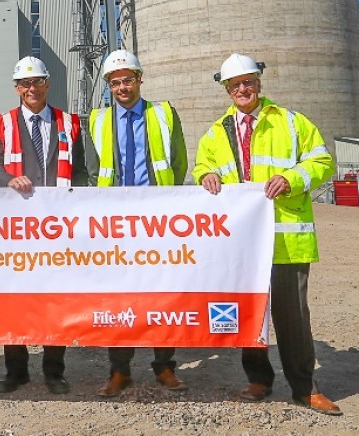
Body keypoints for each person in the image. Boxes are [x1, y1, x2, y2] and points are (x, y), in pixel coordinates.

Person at [192, 53, 341, 416]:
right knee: (250, 314)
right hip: (242, 243)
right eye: (235, 85)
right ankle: (258, 379)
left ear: (258, 83)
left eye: (248, 82)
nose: (242, 89)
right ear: (227, 90)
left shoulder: (291, 122)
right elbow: (203, 166)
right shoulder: (215, 133)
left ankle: (305, 388)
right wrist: (204, 176)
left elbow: (322, 162)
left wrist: (290, 179)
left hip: (286, 239)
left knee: (293, 318)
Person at [87, 49, 189, 397]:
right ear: (108, 87)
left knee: (162, 296)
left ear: (139, 79)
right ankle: (120, 371)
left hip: (157, 219)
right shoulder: (97, 119)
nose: (122, 87)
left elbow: (177, 161)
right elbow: (94, 168)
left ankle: (164, 367)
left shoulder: (163, 114)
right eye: (115, 83)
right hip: (116, 222)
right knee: (119, 299)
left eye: (127, 80)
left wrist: (168, 206)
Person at [0, 56, 88, 394]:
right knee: (14, 299)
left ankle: (54, 371)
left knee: (55, 300)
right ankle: (16, 370)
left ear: (47, 84)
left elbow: (82, 171)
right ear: (16, 88)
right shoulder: (2, 122)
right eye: (25, 83)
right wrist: (8, 180)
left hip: (58, 230)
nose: (32, 88)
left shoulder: (69, 122)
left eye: (38, 82)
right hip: (16, 230)